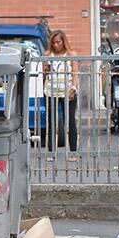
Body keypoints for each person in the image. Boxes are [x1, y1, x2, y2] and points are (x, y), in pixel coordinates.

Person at [43, 29, 80, 162]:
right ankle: (51, 152)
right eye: (53, 43)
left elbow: (75, 74)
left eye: (58, 42)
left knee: (70, 121)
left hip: (67, 92)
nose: (56, 45)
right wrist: (45, 69)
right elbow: (45, 74)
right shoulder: (47, 54)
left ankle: (73, 152)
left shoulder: (71, 54)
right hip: (50, 92)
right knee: (51, 122)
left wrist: (73, 88)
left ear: (63, 41)